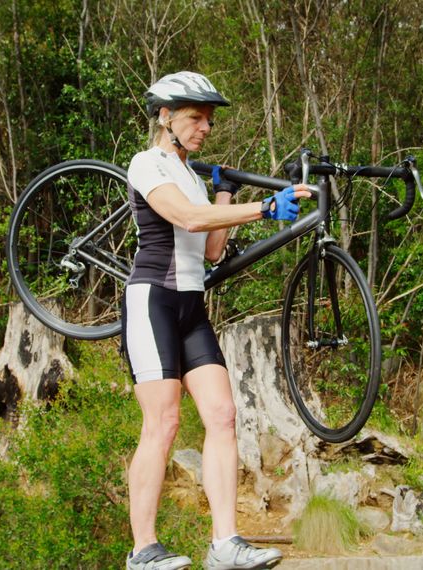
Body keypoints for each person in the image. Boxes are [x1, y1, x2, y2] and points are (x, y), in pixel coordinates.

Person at [121, 71, 308, 570]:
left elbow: (209, 246)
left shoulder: (189, 175)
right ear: (165, 117)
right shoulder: (147, 163)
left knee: (223, 415)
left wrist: (223, 193)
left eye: (208, 120)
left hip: (190, 304)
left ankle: (225, 543)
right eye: (194, 118)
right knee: (162, 422)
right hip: (152, 300)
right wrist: (265, 207)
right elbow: (188, 219)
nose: (204, 127)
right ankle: (142, 550)